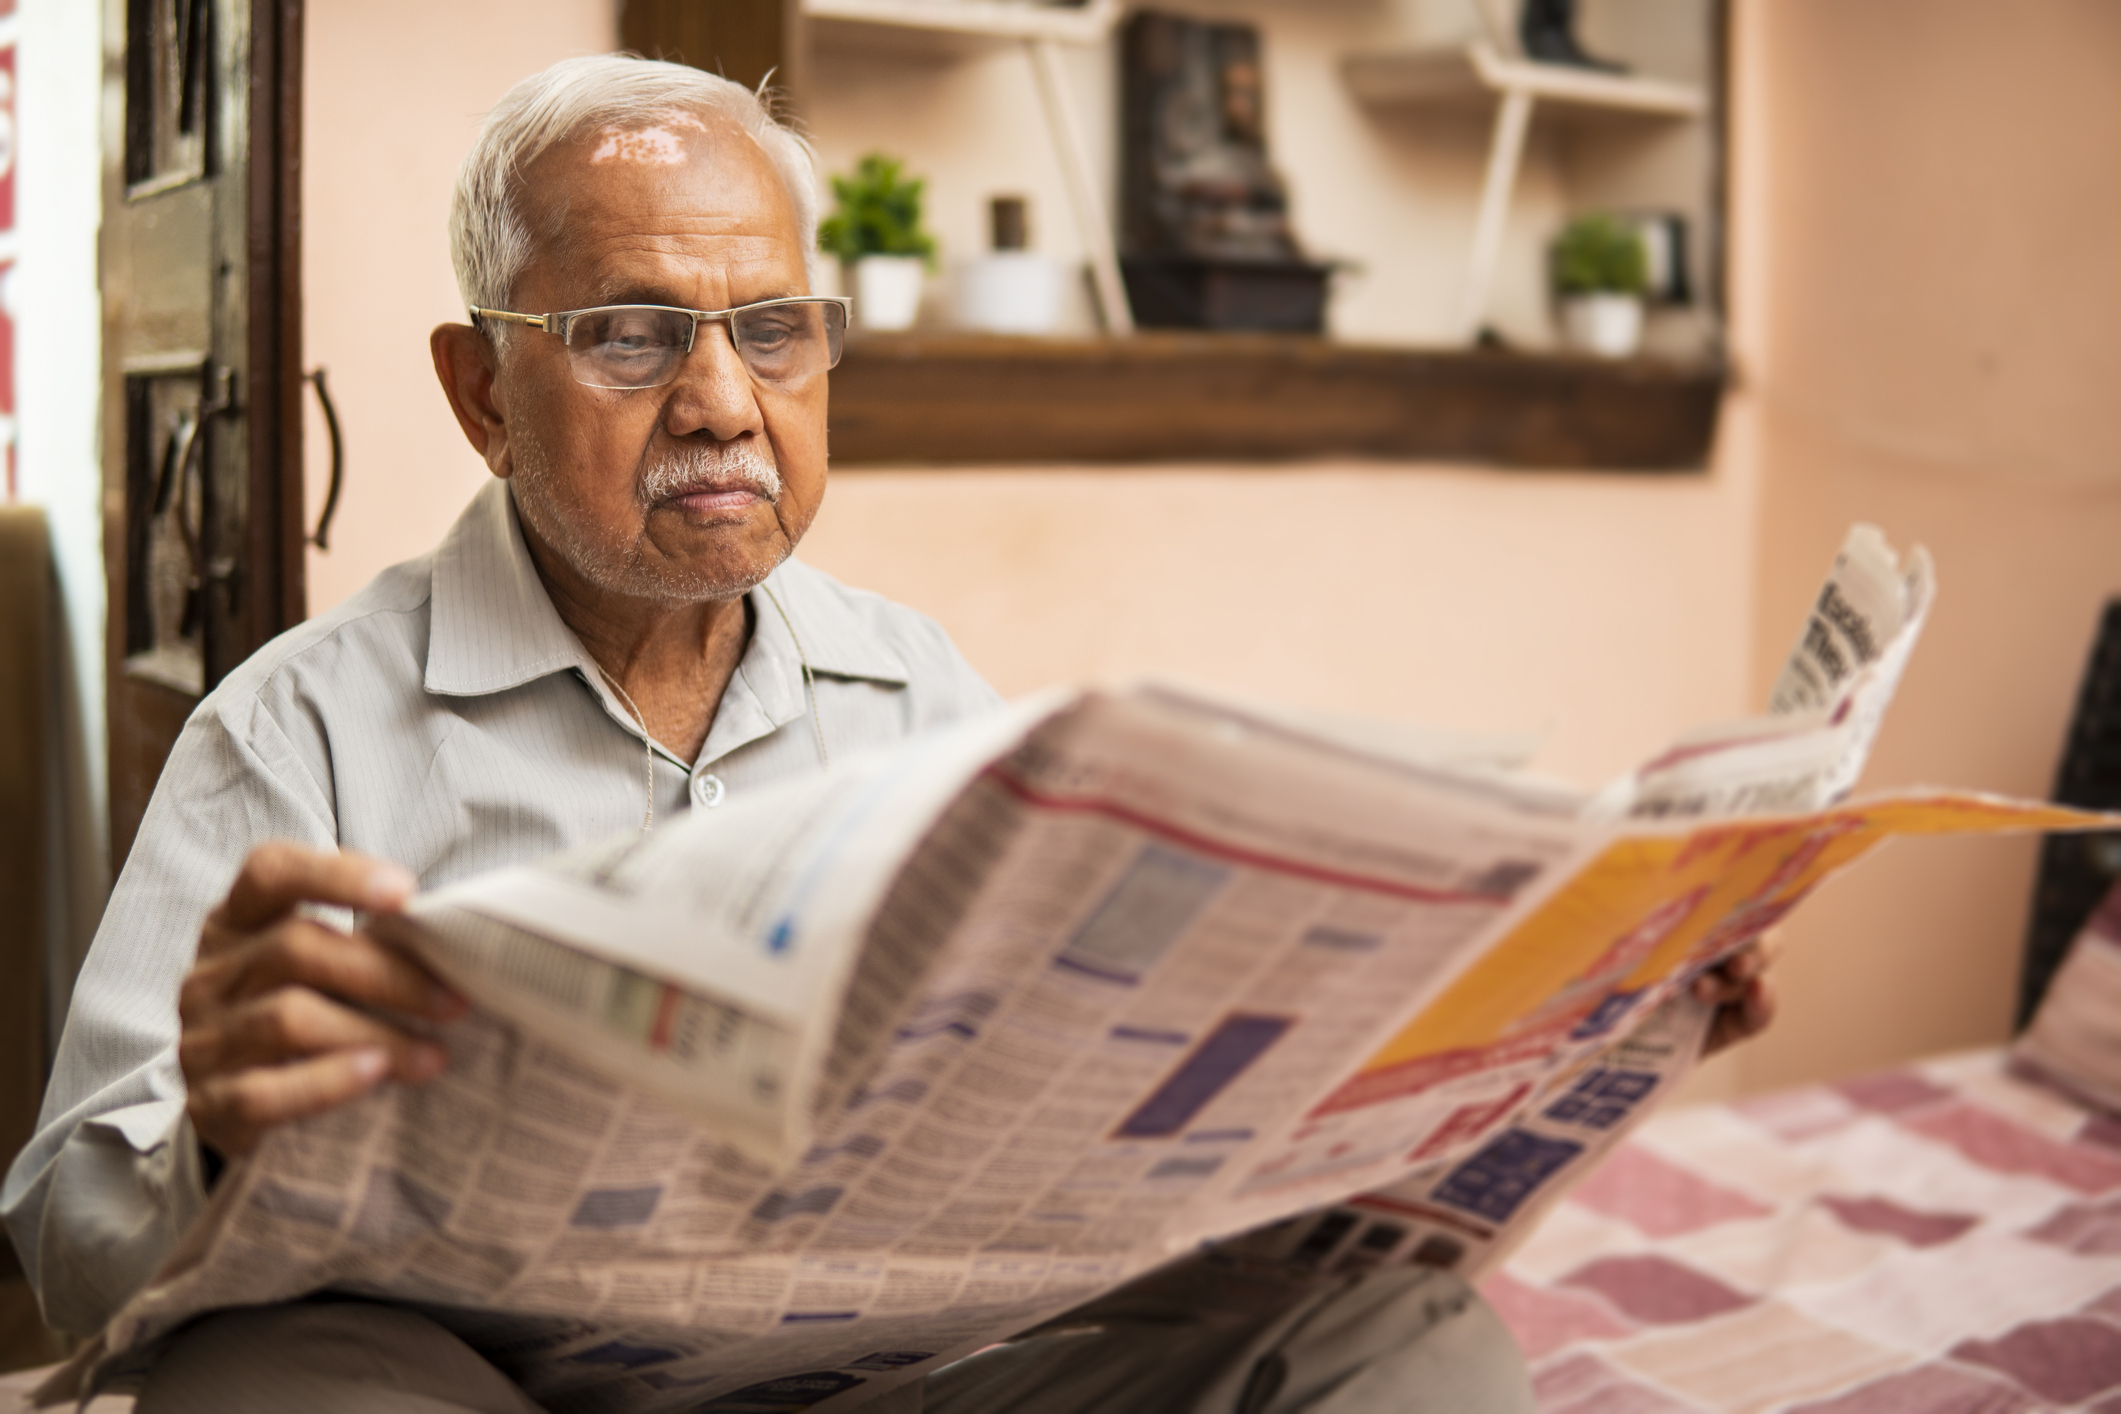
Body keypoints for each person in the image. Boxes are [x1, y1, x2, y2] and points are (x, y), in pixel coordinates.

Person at [1, 56, 1773, 1414]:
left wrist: (1558, 1035)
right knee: (249, 1387)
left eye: (773, 331)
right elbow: (70, 1229)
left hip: (893, 1382)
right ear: (481, 392)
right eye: (628, 337)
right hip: (504, 1388)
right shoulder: (295, 727)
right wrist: (222, 1144)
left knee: (1402, 1328)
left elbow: (1102, 1121)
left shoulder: (917, 685)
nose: (720, 402)